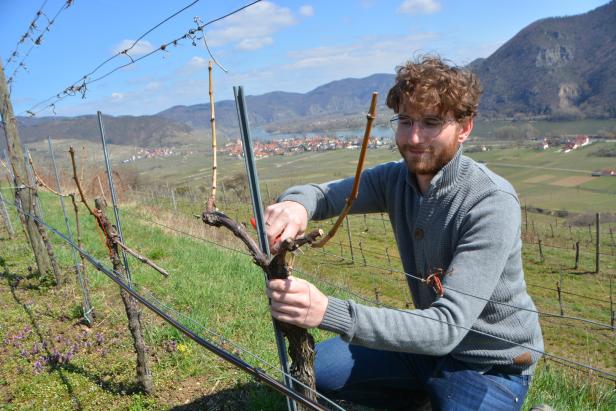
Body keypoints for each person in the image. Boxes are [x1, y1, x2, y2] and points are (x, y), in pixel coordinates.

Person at [264, 55, 544, 410]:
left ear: (464, 127)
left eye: (430, 123)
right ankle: (419, 396)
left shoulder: (490, 201)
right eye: (406, 121)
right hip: (421, 349)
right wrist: (296, 206)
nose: (414, 138)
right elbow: (326, 195)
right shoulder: (396, 179)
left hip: (490, 365)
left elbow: (447, 327)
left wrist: (327, 311)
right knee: (312, 371)